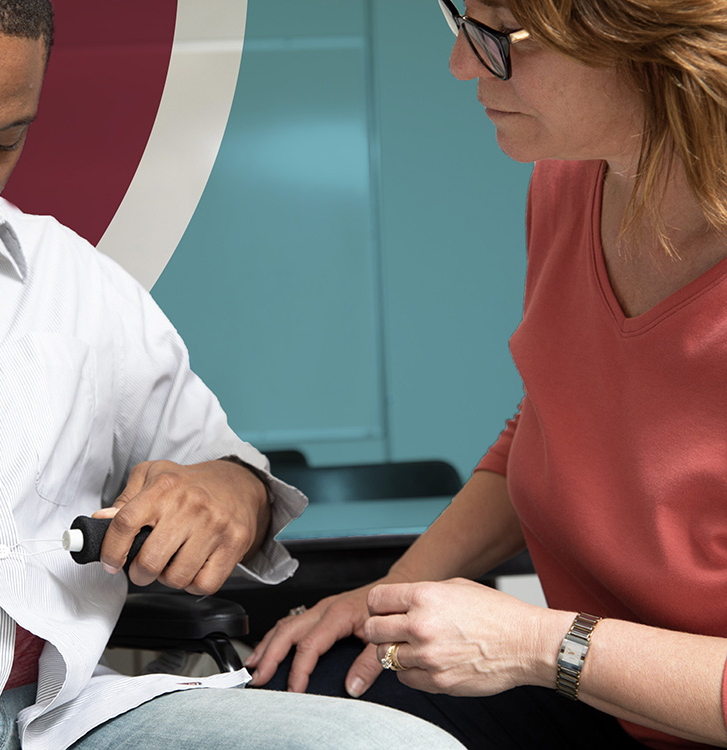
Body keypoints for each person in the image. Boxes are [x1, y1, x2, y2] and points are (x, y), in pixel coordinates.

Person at [0, 2, 468, 749]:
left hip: (72, 723)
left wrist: (223, 493)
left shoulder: (70, 278)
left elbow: (231, 473)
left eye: (0, 141)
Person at [247, 1, 727, 748]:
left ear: (645, 39)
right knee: (291, 700)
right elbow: (549, 421)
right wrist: (386, 595)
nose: (462, 65)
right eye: (463, 26)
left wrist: (536, 645)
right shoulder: (568, 181)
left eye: (500, 38)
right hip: (596, 702)